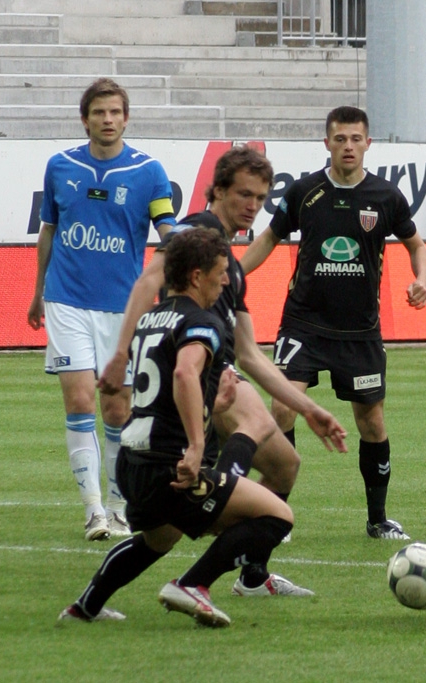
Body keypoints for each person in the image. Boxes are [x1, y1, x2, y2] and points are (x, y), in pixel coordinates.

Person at [98, 146, 348, 593]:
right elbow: (148, 279)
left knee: (285, 467)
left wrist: (308, 409)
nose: (252, 206)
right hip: (196, 370)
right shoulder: (201, 231)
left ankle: (251, 575)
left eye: (260, 197)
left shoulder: (231, 265)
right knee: (252, 422)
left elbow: (252, 355)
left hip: (222, 367)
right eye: (243, 195)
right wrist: (120, 354)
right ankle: (203, 551)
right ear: (217, 192)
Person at [58, 228, 305, 627]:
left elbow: (165, 389)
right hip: (170, 467)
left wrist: (214, 404)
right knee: (277, 516)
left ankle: (85, 606)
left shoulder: (150, 319)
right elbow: (185, 375)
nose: (226, 281)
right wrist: (195, 445)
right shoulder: (203, 321)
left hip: (133, 462)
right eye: (221, 272)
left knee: (158, 539)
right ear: (196, 276)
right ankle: (193, 584)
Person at [241, 105, 426, 540]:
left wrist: (422, 279)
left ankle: (378, 518)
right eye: (340, 139)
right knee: (283, 406)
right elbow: (269, 237)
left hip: (359, 331)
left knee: (372, 424)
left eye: (355, 139)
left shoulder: (386, 197)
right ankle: (277, 513)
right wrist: (233, 274)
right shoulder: (305, 192)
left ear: (368, 143)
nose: (348, 146)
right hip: (303, 322)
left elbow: (416, 244)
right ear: (326, 143)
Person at [27, 77, 177, 541]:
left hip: (122, 307)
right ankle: (92, 509)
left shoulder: (149, 171)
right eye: (99, 113)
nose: (107, 120)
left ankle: (118, 505)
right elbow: (49, 231)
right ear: (85, 119)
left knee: (117, 409)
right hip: (66, 298)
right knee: (78, 401)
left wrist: (189, 251)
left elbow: (166, 229)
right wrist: (37, 293)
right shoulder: (60, 166)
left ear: (126, 118)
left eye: (115, 112)